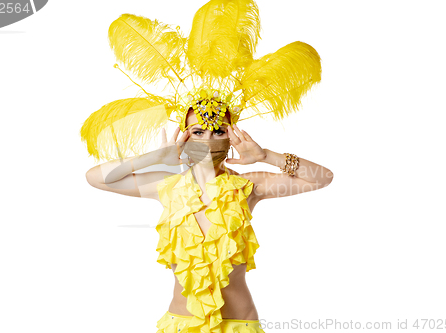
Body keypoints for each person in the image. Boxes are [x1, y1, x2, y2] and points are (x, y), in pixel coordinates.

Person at [80, 1, 332, 331]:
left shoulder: (249, 186)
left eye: (218, 131)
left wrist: (265, 155)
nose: (208, 139)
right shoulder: (165, 187)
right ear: (184, 136)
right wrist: (155, 158)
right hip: (181, 324)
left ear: (231, 137)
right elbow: (97, 177)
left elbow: (322, 178)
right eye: (198, 131)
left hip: (238, 325)